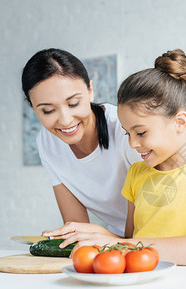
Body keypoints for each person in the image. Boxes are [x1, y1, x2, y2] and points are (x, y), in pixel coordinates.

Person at [54, 49, 186, 266]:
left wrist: (122, 245)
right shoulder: (137, 173)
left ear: (180, 122)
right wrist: (100, 234)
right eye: (128, 133)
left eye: (141, 132)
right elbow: (132, 243)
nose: (132, 144)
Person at [22, 48, 141, 236]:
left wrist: (108, 240)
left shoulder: (124, 129)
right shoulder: (47, 143)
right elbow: (76, 228)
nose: (65, 120)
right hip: (119, 241)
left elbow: (156, 219)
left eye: (73, 103)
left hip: (154, 238)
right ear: (32, 106)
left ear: (90, 90)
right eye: (48, 110)